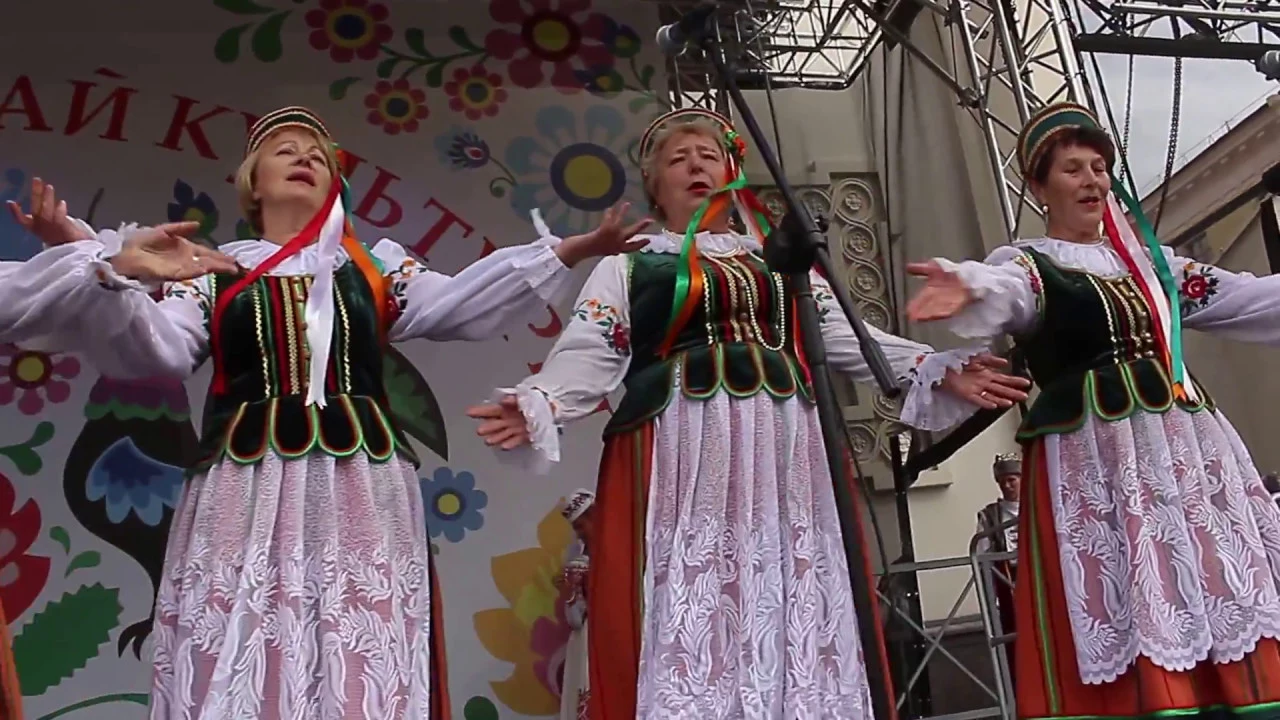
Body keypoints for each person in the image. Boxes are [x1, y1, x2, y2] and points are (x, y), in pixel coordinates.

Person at [0, 106, 649, 719]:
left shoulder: (372, 267)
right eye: (284, 150)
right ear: (252, 184)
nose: (304, 158)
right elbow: (156, 347)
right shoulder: (213, 271)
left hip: (358, 486)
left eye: (317, 154)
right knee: (241, 636)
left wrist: (568, 250)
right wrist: (106, 270)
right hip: (243, 485)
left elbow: (459, 304)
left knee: (356, 642)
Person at [466, 107, 1032, 718]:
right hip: (684, 442)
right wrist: (543, 401)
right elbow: (592, 347)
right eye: (678, 159)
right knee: (693, 584)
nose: (696, 166)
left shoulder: (778, 261)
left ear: (732, 173)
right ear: (655, 184)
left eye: (709, 156)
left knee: (786, 576)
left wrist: (932, 367)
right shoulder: (632, 263)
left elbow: (845, 334)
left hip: (782, 443)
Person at [904, 101, 1280, 720]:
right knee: (1124, 575)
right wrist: (966, 284)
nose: (1092, 181)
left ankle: (1231, 693)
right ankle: (1147, 700)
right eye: (1073, 169)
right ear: (1039, 188)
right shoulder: (1028, 264)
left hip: (1181, 446)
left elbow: (1241, 297)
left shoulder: (1152, 266)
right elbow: (1005, 292)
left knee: (1208, 569)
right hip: (1096, 453)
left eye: (1100, 168)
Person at [976, 452, 1021, 688]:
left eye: (1012, 479)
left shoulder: (1038, 507)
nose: (1007, 485)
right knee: (1014, 640)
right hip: (1008, 583)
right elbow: (981, 555)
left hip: (1040, 581)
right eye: (1002, 481)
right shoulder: (990, 516)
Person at [558, 488, 594, 720]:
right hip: (588, 639)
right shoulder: (578, 564)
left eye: (581, 526)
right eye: (576, 529)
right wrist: (572, 590)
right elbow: (575, 618)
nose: (579, 534)